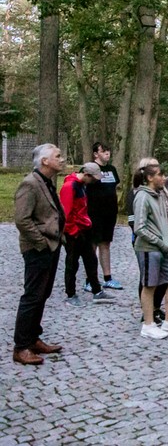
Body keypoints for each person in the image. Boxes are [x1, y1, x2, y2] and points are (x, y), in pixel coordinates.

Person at [12, 144, 67, 365]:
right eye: (58, 156)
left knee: (42, 294)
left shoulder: (47, 182)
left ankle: (33, 338)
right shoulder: (30, 184)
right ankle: (21, 347)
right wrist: (41, 243)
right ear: (45, 161)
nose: (62, 159)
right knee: (32, 296)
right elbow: (22, 220)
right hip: (38, 249)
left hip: (52, 246)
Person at [132, 164, 168, 339]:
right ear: (150, 178)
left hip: (164, 249)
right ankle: (148, 324)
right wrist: (159, 242)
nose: (163, 177)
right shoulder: (142, 196)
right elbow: (139, 227)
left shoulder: (159, 195)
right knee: (150, 285)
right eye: (160, 174)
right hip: (149, 249)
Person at [59, 162, 115, 307]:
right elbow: (65, 213)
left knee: (91, 260)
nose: (95, 181)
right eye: (93, 178)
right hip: (74, 232)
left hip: (84, 230)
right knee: (72, 263)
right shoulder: (70, 186)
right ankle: (70, 294)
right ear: (86, 174)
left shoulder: (82, 185)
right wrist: (72, 231)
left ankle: (97, 290)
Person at [85, 142, 123, 290]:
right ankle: (90, 280)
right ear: (96, 154)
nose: (107, 154)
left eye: (108, 151)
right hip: (94, 213)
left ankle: (108, 278)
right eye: (104, 151)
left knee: (105, 244)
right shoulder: (90, 169)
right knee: (92, 245)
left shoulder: (112, 169)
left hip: (110, 213)